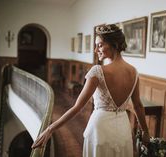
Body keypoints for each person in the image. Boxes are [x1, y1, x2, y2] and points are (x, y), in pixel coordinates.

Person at [32, 24, 150, 157]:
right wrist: (146, 132)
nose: (95, 50)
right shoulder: (133, 72)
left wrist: (50, 129)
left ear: (114, 45)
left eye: (99, 45)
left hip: (100, 129)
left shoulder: (97, 71)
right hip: (123, 128)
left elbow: (77, 107)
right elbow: (138, 105)